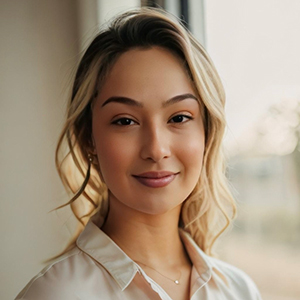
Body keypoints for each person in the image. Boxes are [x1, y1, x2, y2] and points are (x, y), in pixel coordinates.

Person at [15, 7, 262, 300]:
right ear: (88, 139)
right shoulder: (56, 294)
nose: (156, 149)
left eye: (179, 117)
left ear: (207, 133)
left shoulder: (239, 290)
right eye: (125, 121)